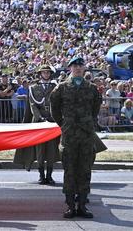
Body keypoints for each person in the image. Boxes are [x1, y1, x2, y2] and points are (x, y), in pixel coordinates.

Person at [50, 56, 102, 219]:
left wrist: (88, 122)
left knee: (85, 169)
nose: (78, 68)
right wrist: (65, 124)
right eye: (75, 66)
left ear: (84, 68)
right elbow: (55, 110)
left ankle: (83, 205)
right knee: (70, 170)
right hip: (70, 134)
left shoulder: (92, 88)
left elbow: (95, 109)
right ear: (70, 68)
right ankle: (70, 206)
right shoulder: (61, 88)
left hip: (86, 134)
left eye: (81, 65)